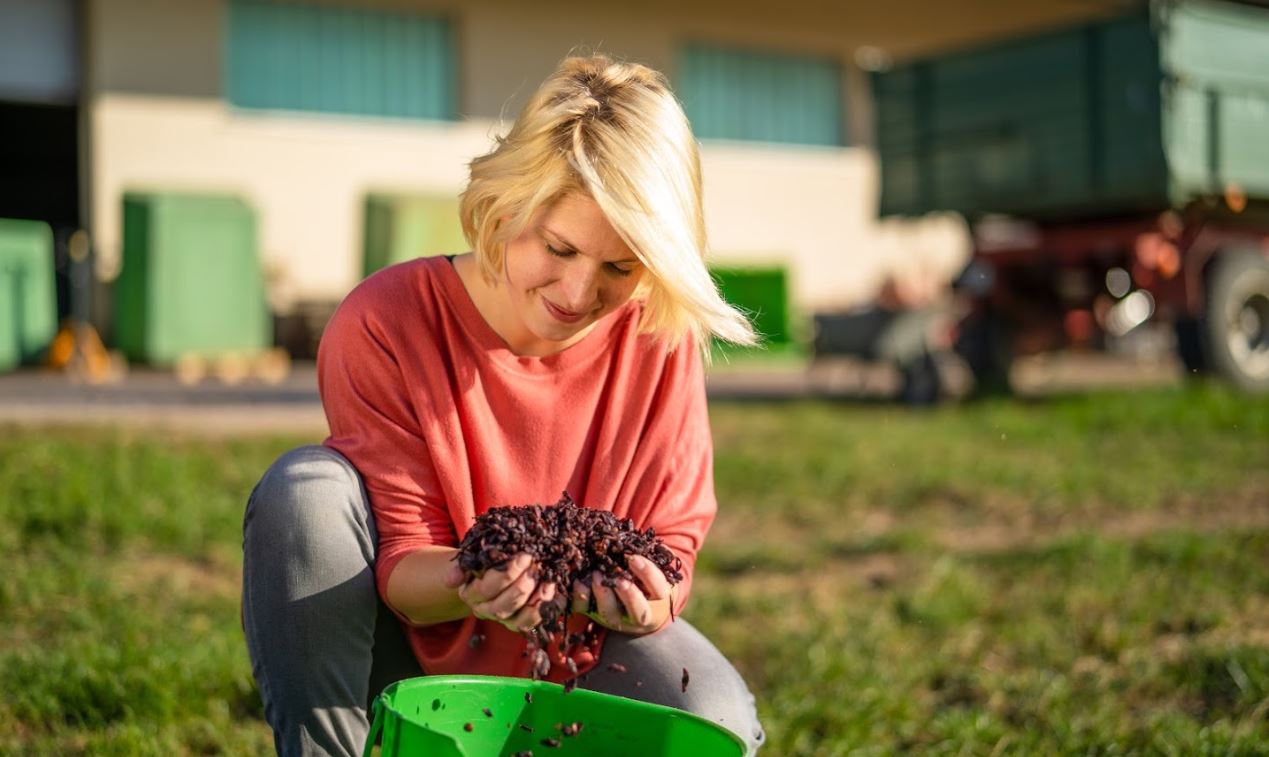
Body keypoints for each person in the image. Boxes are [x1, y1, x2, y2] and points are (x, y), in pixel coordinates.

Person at [241, 53, 766, 757]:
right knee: (303, 491)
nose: (579, 295)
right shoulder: (387, 320)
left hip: (581, 660)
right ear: (508, 201)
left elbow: (672, 543)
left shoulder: (658, 332)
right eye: (558, 247)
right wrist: (473, 578)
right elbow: (401, 566)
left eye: (619, 267)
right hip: (398, 657)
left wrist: (647, 602)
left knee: (716, 718)